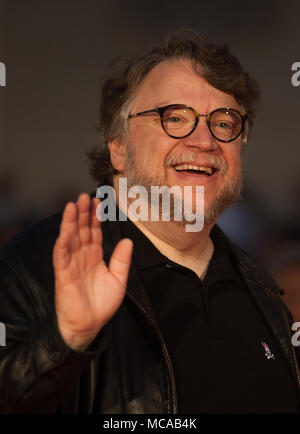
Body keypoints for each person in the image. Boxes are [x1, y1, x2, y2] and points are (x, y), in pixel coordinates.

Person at [0, 29, 299, 414]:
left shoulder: (264, 295)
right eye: (175, 117)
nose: (205, 141)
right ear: (119, 147)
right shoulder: (30, 269)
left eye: (224, 123)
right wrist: (66, 341)